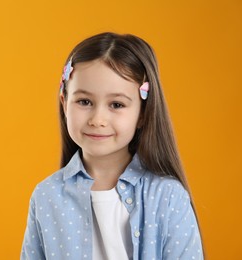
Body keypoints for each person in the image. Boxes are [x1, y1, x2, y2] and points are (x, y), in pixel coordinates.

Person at [21, 32, 203, 260]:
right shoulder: (46, 196)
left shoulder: (167, 197)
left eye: (116, 104)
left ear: (142, 114)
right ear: (64, 103)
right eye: (84, 102)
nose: (98, 119)